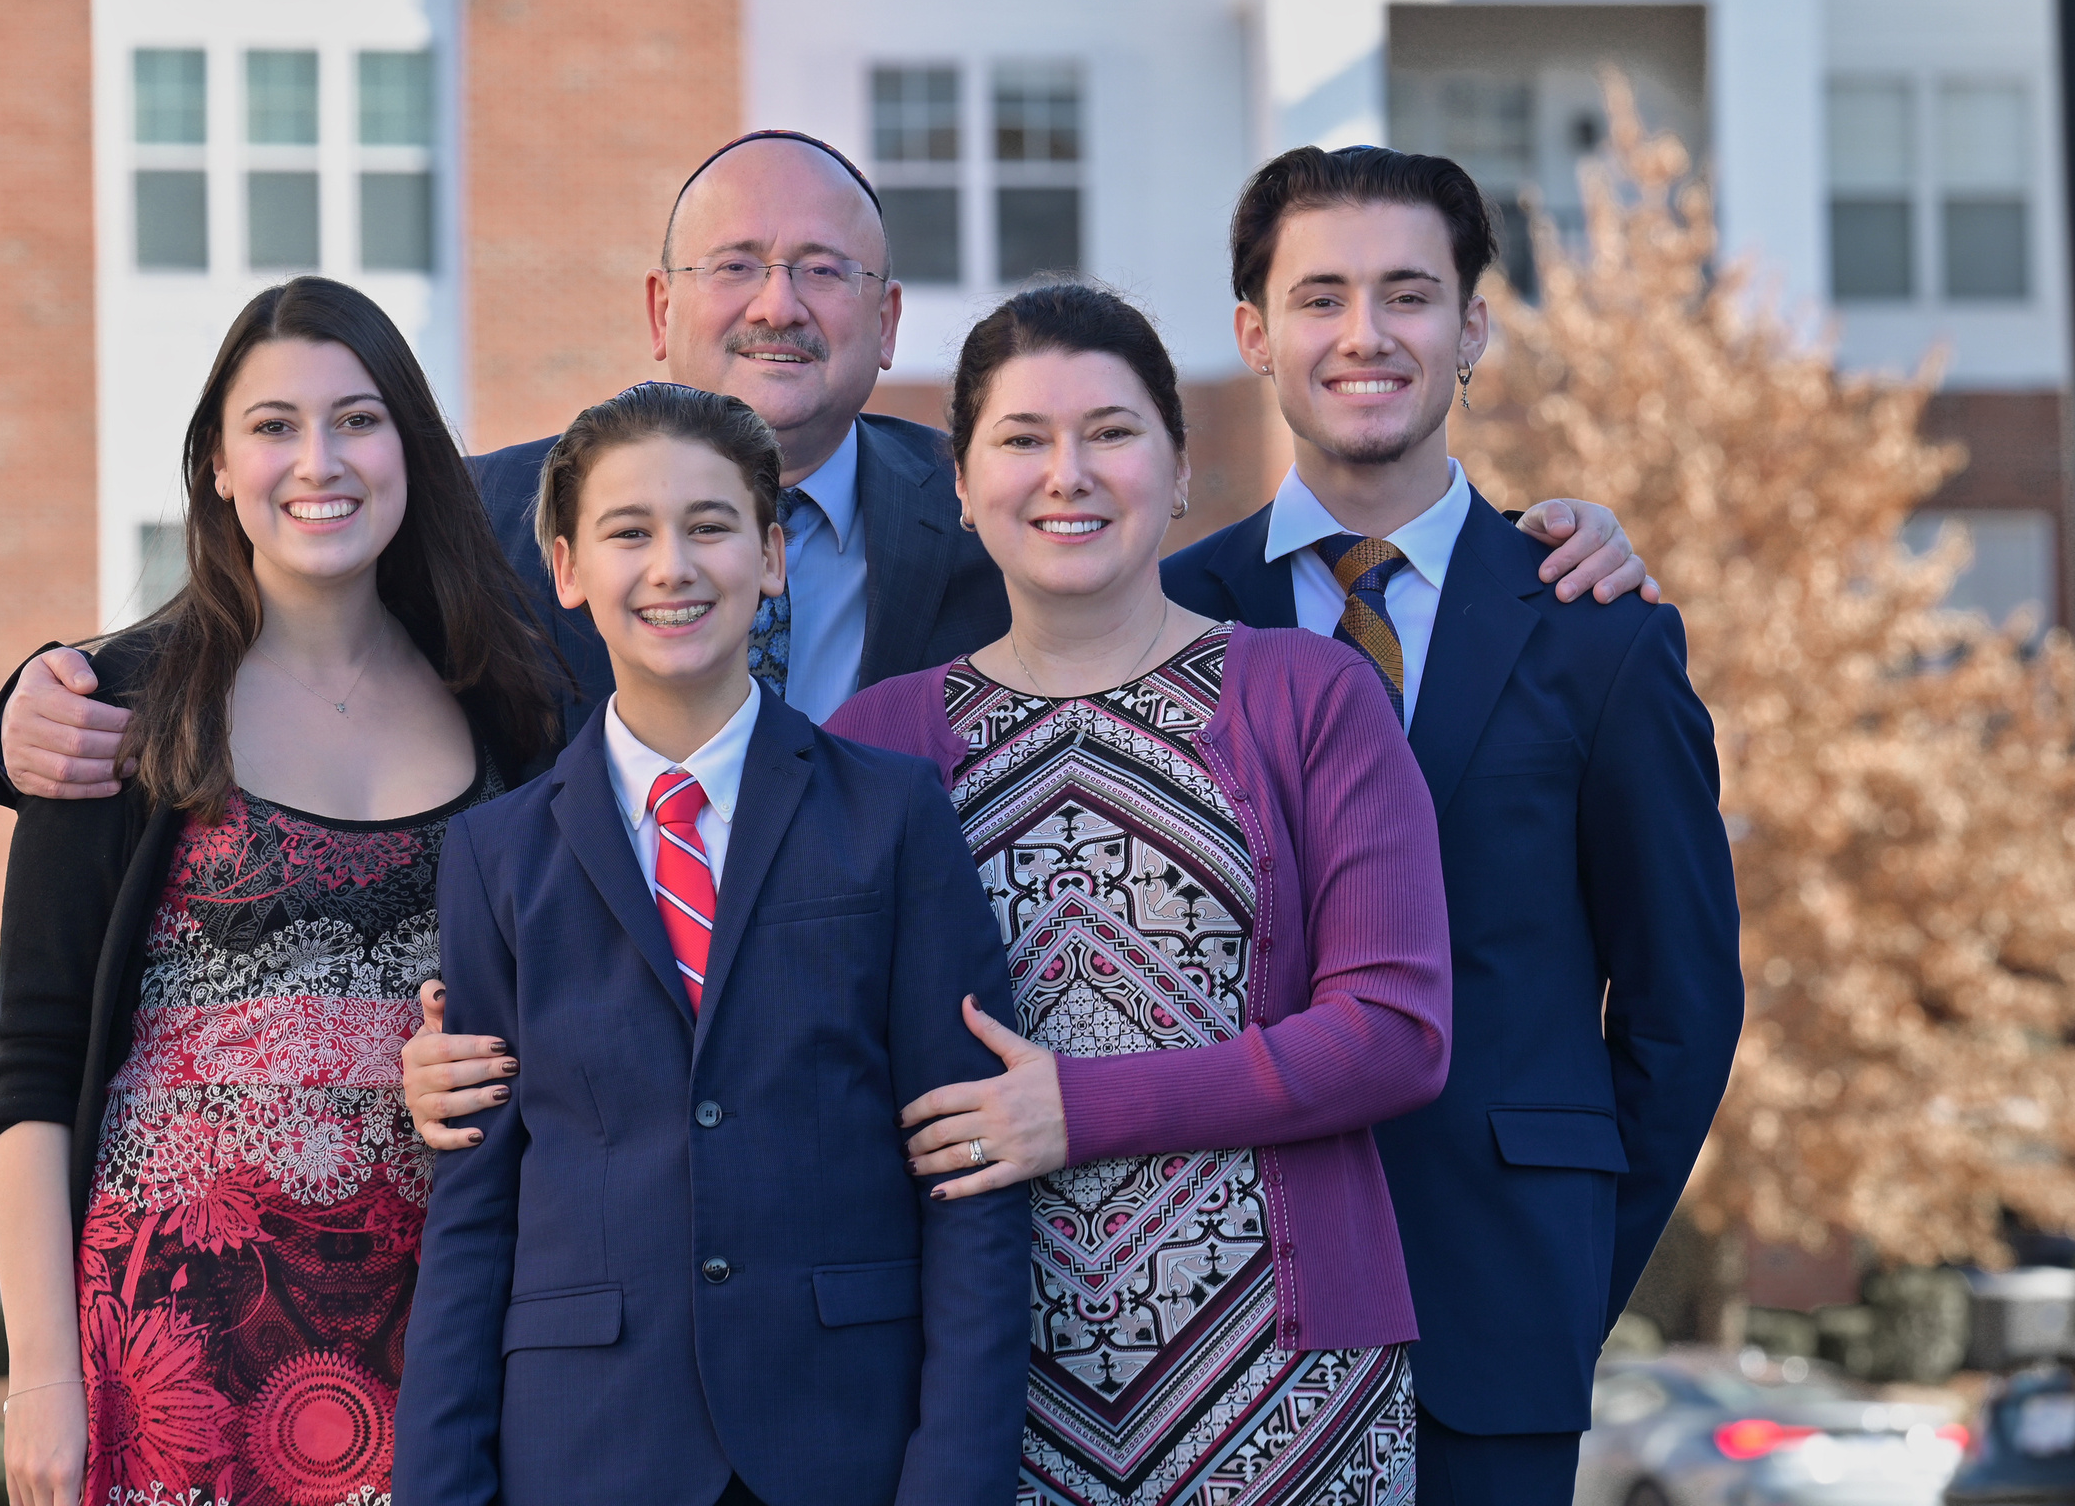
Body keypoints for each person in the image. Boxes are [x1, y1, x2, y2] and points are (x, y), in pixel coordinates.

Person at [0, 130, 1656, 804]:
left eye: (822, 273)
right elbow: (269, 593)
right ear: (660, 308)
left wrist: (1537, 541)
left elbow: (1236, 588)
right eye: (734, 267)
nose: (776, 305)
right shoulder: (497, 514)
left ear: (884, 321)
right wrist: (32, 706)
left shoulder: (1006, 505)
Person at [1159, 147, 1742, 1504]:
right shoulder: (1163, 616)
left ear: (1472, 324)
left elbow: (1680, 1008)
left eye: (1410, 293)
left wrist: (1563, 1268)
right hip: (1200, 1324)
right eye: (1321, 297)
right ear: (1255, 333)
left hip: (1493, 1326)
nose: (1366, 334)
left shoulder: (1598, 636)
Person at [821, 284, 1453, 1502]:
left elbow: (1395, 1036)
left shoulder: (1309, 698)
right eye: (1021, 439)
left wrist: (1081, 1107)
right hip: (983, 1397)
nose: (1067, 473)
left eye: (1109, 432)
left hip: (1290, 1393)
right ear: (961, 486)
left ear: (1177, 472)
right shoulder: (876, 738)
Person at [0, 278, 563, 1506]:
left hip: (440, 1332)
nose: (319, 461)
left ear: (409, 446)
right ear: (217, 467)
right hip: (168, 1358)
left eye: (357, 419)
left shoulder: (511, 703)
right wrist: (40, 1380)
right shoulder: (111, 709)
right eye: (274, 425)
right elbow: (31, 1066)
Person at [392, 381, 1030, 1506]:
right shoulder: (497, 857)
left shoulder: (891, 815)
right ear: (567, 570)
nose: (671, 568)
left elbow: (968, 1171)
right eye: (627, 532)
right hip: (588, 1448)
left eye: (710, 526)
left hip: (845, 1438)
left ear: (772, 556)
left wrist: (955, 1481)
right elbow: (474, 1205)